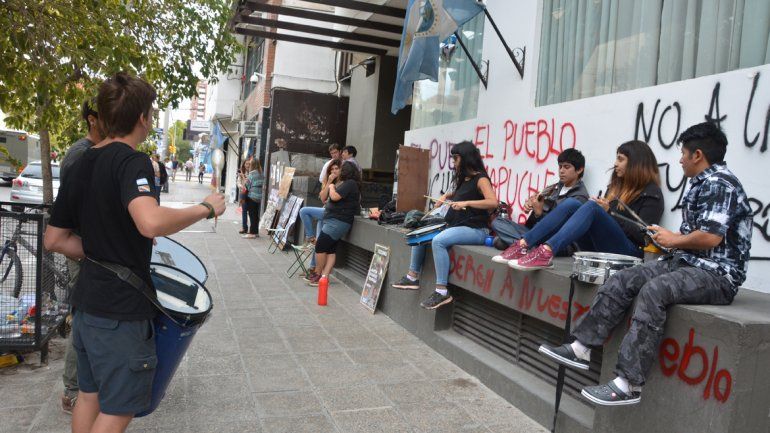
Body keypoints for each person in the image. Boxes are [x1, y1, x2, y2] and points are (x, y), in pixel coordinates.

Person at [43, 72, 226, 433]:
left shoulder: (83, 162)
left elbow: (54, 239)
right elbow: (149, 222)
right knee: (120, 407)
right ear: (143, 117)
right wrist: (205, 208)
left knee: (90, 397)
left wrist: (105, 247)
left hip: (87, 306)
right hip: (119, 313)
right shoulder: (132, 162)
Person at [539, 122, 753, 406]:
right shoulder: (703, 182)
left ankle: (628, 384)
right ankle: (580, 347)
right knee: (624, 278)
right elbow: (696, 238)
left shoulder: (720, 183)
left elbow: (711, 237)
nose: (679, 159)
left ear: (697, 155)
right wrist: (669, 240)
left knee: (655, 290)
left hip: (717, 276)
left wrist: (674, 240)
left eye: (683, 153)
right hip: (687, 263)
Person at [508, 140, 664, 270]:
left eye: (621, 159)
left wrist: (608, 213)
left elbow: (644, 236)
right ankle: (523, 244)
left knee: (591, 207)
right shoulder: (616, 187)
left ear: (636, 162)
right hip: (600, 249)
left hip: (630, 255)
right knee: (572, 204)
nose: (615, 164)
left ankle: (546, 251)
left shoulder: (652, 193)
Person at [391, 141, 498, 309]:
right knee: (421, 233)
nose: (453, 163)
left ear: (466, 158)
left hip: (477, 230)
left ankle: (442, 292)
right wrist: (445, 197)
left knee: (438, 241)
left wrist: (467, 203)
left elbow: (493, 202)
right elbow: (459, 193)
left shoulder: (481, 178)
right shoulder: (465, 179)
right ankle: (412, 277)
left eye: (456, 159)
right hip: (456, 225)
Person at [58, 99, 105, 415]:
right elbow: (75, 210)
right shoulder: (81, 155)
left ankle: (85, 387)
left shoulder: (96, 153)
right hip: (81, 250)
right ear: (92, 119)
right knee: (84, 320)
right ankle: (73, 391)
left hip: (92, 248)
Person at [491, 148, 589, 261]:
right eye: (560, 166)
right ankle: (531, 248)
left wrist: (539, 214)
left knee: (499, 242)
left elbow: (564, 230)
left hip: (558, 242)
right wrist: (531, 204)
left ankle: (530, 248)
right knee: (498, 222)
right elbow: (539, 206)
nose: (561, 171)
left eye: (566, 167)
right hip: (536, 234)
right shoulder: (555, 188)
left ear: (579, 170)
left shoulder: (579, 197)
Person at [306, 161, 361, 286]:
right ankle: (324, 277)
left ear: (346, 171)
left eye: (341, 169)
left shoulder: (350, 183)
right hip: (334, 221)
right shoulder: (344, 183)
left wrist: (331, 187)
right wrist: (330, 183)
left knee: (320, 246)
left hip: (337, 222)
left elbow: (335, 197)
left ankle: (318, 273)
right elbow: (323, 197)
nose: (338, 171)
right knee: (330, 250)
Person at [301, 159, 342, 282]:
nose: (334, 171)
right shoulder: (330, 181)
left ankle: (310, 237)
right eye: (332, 169)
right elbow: (323, 198)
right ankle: (314, 268)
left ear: (341, 170)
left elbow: (334, 200)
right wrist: (329, 181)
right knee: (319, 243)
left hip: (331, 214)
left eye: (336, 169)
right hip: (326, 212)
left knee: (304, 211)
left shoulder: (343, 183)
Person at [243, 158, 264, 239]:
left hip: (252, 195)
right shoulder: (261, 173)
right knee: (256, 215)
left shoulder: (251, 173)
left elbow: (247, 185)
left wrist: (245, 181)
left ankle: (252, 233)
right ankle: (256, 232)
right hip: (259, 196)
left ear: (252, 164)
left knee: (252, 214)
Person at [236, 160, 250, 234]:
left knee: (251, 211)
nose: (248, 165)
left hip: (251, 194)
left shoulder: (251, 173)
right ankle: (244, 228)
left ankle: (252, 229)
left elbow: (249, 183)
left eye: (249, 164)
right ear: (244, 164)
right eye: (246, 164)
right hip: (243, 193)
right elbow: (238, 182)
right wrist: (242, 187)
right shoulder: (242, 173)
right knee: (244, 211)